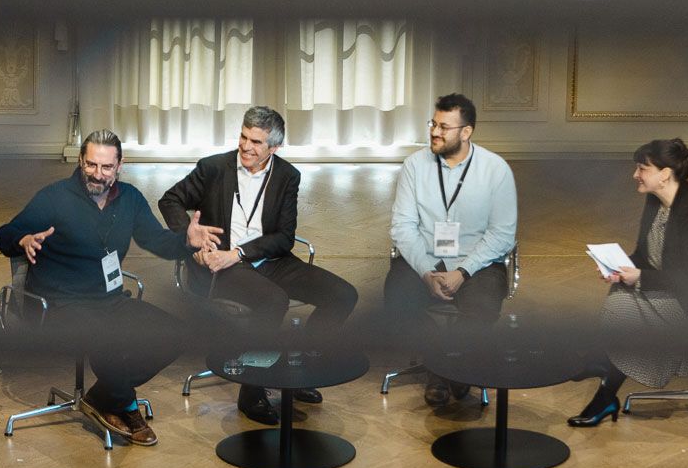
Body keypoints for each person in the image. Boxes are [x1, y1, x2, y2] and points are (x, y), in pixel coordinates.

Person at [0, 129, 221, 446]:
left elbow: (157, 241)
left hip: (109, 299)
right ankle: (127, 405)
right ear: (80, 161)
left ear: (120, 166)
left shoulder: (130, 199)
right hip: (58, 303)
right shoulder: (54, 197)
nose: (97, 175)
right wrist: (23, 239)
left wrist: (186, 241)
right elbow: (3, 234)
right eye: (91, 165)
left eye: (106, 167)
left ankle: (103, 396)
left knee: (177, 334)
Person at [159, 106, 358, 425]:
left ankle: (300, 370)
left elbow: (284, 237)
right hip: (217, 267)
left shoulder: (287, 176)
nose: (246, 146)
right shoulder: (213, 168)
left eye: (256, 142)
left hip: (265, 260)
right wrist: (190, 236)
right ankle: (251, 391)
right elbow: (169, 200)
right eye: (243, 137)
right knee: (273, 300)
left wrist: (238, 253)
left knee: (343, 295)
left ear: (274, 148)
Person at [568, 137, 688, 427]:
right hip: (666, 290)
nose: (635, 175)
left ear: (665, 174)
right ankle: (604, 389)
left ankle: (601, 371)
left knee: (625, 309)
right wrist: (619, 267)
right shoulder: (656, 201)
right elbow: (644, 254)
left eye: (642, 169)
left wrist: (640, 277)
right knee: (620, 293)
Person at [386, 93, 517, 407]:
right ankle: (444, 363)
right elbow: (402, 226)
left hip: (476, 262)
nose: (434, 132)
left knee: (482, 308)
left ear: (466, 132)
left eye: (444, 127)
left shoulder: (495, 169)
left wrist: (463, 271)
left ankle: (447, 366)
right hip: (425, 259)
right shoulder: (414, 165)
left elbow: (502, 234)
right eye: (433, 124)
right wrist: (425, 272)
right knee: (396, 302)